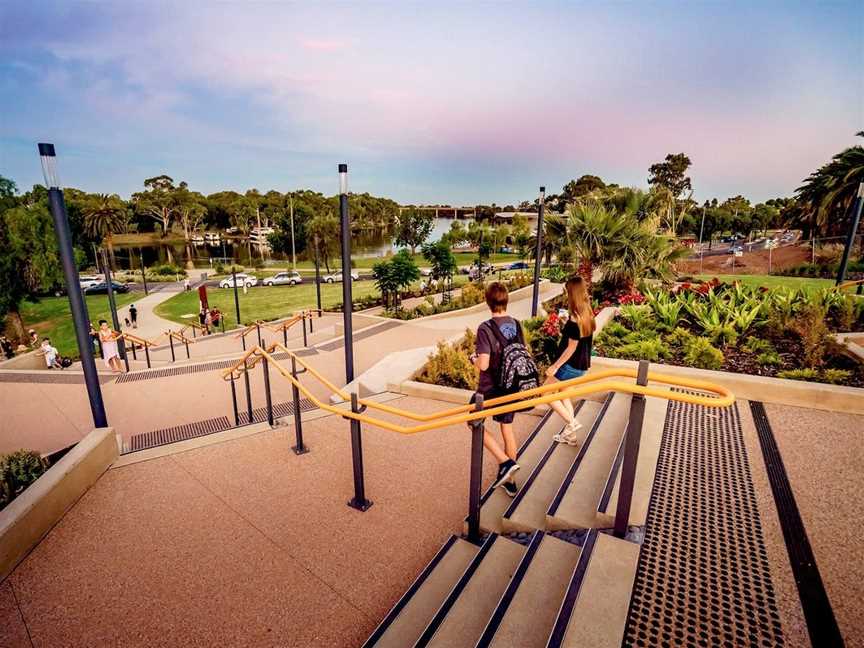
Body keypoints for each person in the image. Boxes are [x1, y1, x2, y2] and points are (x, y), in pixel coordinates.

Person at [469, 282, 524, 497]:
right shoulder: (517, 325)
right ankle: (510, 482)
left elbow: (483, 364)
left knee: (473, 421)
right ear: (506, 300)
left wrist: (472, 357)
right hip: (511, 386)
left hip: (490, 388)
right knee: (507, 430)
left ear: (488, 302)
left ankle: (505, 463)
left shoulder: (485, 328)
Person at [543, 276, 596, 445]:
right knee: (564, 396)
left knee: (545, 394)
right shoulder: (587, 312)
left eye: (567, 291)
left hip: (569, 365)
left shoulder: (575, 320)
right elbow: (578, 340)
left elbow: (571, 348)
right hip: (581, 365)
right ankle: (570, 437)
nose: (566, 294)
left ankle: (572, 424)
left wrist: (555, 366)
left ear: (572, 293)